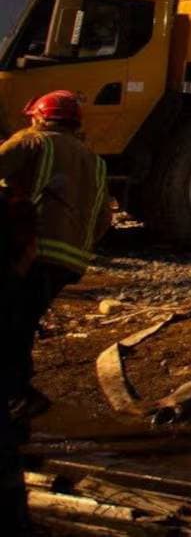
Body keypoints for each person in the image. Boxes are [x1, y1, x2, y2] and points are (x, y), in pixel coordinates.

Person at [1, 91, 110, 425]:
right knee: (21, 321)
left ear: (39, 117)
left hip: (31, 250)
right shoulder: (95, 161)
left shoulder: (33, 142)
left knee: (11, 322)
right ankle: (18, 398)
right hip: (70, 261)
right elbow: (104, 219)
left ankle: (19, 397)